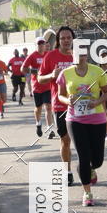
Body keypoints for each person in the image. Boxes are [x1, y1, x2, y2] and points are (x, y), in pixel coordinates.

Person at [57, 48, 107, 206]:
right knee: (83, 155)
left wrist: (97, 102)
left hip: (97, 118)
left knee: (98, 159)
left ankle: (91, 167)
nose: (81, 55)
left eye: (84, 52)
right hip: (75, 119)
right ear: (72, 54)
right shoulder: (65, 73)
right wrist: (68, 101)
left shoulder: (97, 71)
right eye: (78, 52)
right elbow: (60, 95)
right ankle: (87, 193)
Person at [38, 26, 75, 185]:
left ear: (73, 39)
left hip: (80, 104)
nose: (66, 40)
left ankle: (88, 166)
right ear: (58, 41)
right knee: (65, 140)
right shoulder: (50, 56)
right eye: (63, 38)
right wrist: (51, 75)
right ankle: (67, 171)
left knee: (82, 141)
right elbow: (40, 79)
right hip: (60, 105)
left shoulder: (79, 55)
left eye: (69, 37)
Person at [22, 37, 54, 138]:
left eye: (43, 43)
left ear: (45, 45)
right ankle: (38, 123)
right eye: (39, 44)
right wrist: (34, 71)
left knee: (48, 107)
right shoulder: (32, 56)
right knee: (38, 108)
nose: (41, 45)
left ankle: (49, 130)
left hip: (48, 86)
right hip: (37, 87)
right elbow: (23, 68)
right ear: (36, 45)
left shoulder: (48, 55)